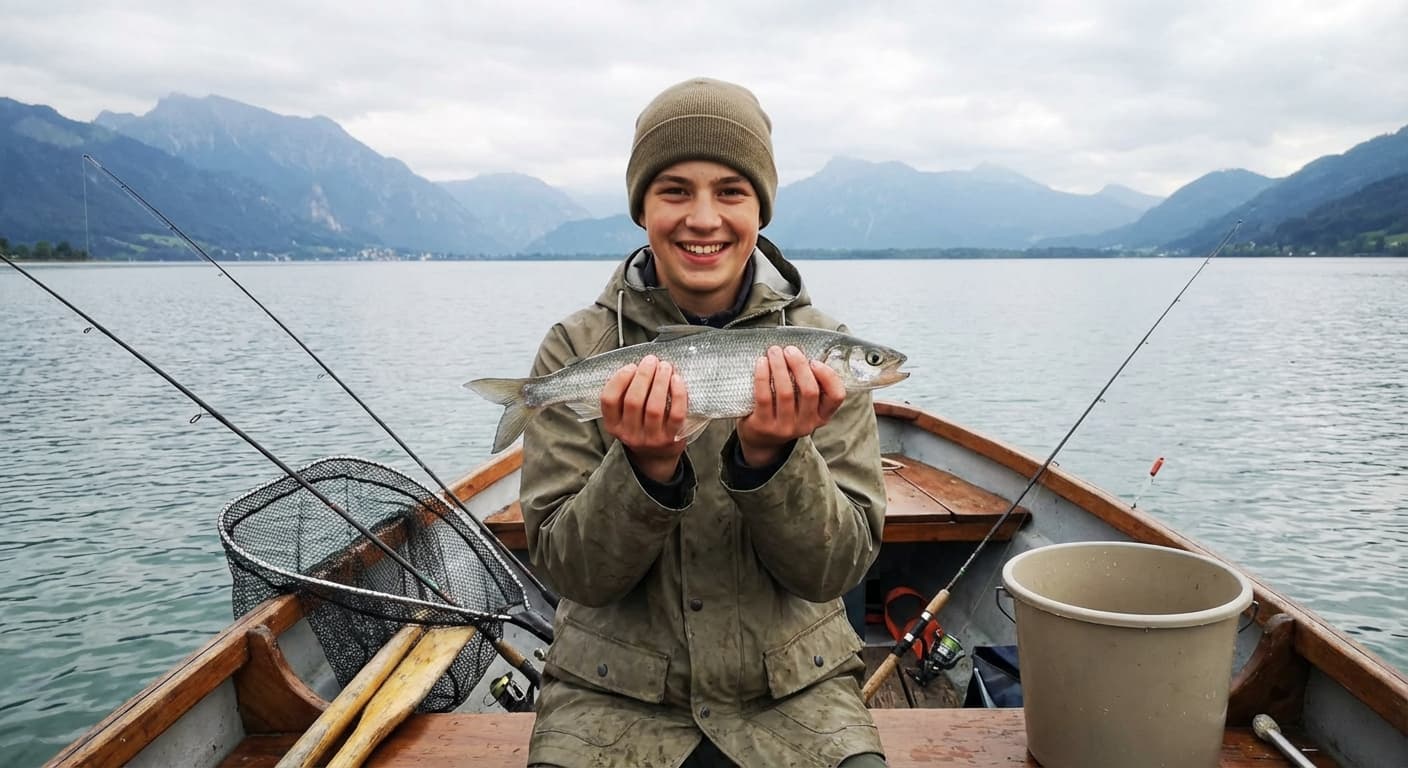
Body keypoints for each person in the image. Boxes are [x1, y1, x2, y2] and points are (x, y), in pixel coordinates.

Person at [520, 77, 887, 768]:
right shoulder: (575, 348)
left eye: (731, 191)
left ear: (761, 208)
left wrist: (775, 458)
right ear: (641, 208)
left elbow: (837, 569)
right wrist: (645, 470)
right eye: (675, 190)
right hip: (609, 700)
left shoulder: (820, 345)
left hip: (798, 698)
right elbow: (572, 572)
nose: (703, 218)